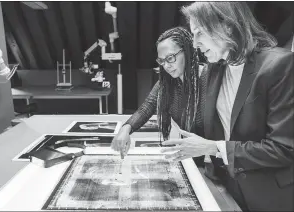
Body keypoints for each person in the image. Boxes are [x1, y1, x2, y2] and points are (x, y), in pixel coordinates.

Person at [161, 2, 294, 211]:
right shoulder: (215, 71)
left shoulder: (279, 65)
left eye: (199, 33)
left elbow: (283, 149)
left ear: (227, 26)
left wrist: (213, 147)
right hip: (229, 191)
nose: (194, 43)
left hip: (269, 198)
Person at [111, 27, 200, 157]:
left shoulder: (207, 78)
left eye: (170, 57)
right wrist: (126, 128)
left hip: (213, 160)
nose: (166, 65)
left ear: (187, 51)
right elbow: (146, 107)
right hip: (190, 156)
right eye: (162, 61)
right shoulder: (167, 83)